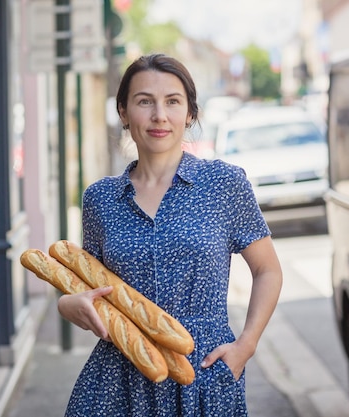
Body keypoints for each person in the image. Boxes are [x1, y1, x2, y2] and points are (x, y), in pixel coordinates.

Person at [57, 53, 283, 416]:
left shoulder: (224, 184)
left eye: (172, 102)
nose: (159, 115)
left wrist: (246, 345)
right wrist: (67, 305)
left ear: (190, 113)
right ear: (124, 113)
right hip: (119, 379)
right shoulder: (100, 199)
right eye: (144, 101)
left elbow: (268, 270)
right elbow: (88, 286)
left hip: (203, 374)